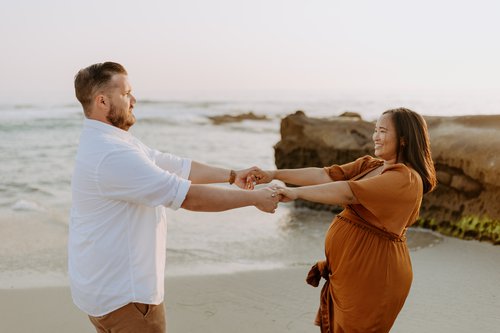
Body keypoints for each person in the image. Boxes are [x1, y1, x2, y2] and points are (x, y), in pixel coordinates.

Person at [69, 61, 279, 333]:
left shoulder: (108, 141)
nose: (134, 100)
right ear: (102, 101)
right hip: (127, 299)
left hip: (102, 292)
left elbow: (174, 165)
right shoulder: (112, 153)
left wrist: (232, 175)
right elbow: (188, 197)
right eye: (126, 93)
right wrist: (255, 199)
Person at [249, 108, 437, 332]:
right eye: (375, 130)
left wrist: (297, 193)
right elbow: (324, 175)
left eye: (383, 131)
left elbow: (349, 192)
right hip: (348, 271)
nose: (375, 136)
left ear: (404, 140)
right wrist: (275, 174)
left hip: (375, 272)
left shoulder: (405, 178)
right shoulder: (371, 166)